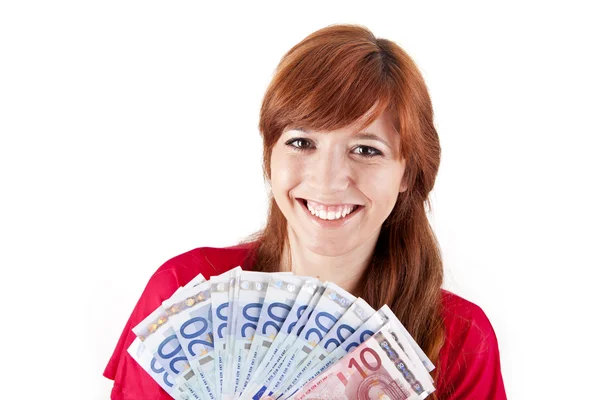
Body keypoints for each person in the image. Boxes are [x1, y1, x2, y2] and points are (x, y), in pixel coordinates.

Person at [103, 24, 507, 399]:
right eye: (301, 142)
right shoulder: (185, 291)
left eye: (366, 150)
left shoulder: (460, 337)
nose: (328, 181)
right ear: (270, 155)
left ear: (408, 174)